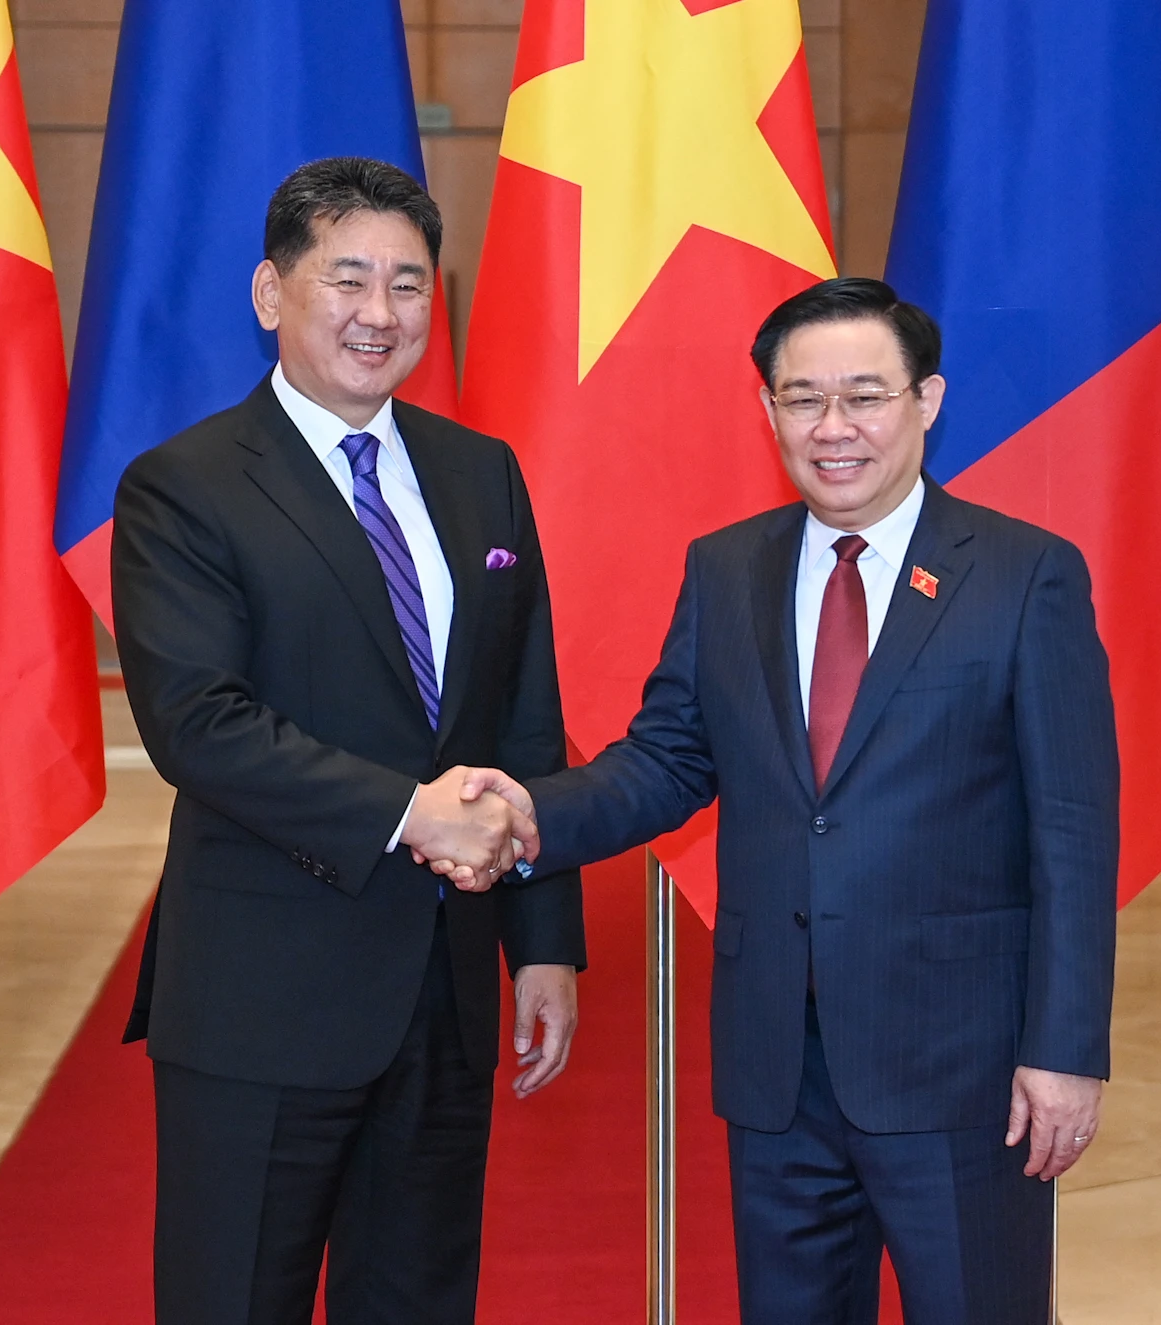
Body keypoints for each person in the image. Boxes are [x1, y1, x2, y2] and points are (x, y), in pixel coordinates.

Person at [430, 278, 1118, 1324]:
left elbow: (1073, 829)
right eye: (802, 399)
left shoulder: (1025, 577)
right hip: (775, 1076)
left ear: (927, 400)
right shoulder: (728, 569)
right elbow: (667, 760)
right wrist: (528, 812)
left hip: (961, 1074)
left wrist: (1064, 1050)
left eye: (865, 396)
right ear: (768, 411)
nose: (833, 428)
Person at [111, 156, 583, 1325]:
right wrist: (411, 811)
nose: (382, 313)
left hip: (444, 990)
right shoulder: (185, 487)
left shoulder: (482, 476)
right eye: (350, 279)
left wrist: (544, 939)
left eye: (410, 284)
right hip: (264, 994)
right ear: (273, 293)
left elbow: (524, 715)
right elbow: (198, 722)